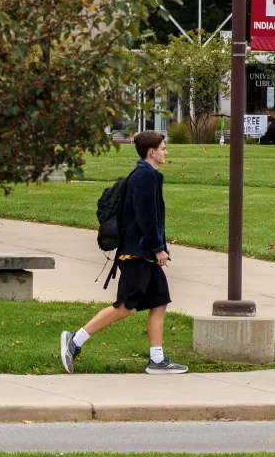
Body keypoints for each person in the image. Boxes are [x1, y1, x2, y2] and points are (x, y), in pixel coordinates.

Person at [60, 131, 188, 375]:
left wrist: (161, 247)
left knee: (159, 302)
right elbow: (145, 218)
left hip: (145, 254)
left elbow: (153, 218)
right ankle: (74, 340)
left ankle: (157, 360)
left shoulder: (148, 175)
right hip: (136, 255)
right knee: (125, 307)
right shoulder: (144, 176)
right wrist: (157, 247)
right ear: (152, 152)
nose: (166, 151)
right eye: (163, 148)